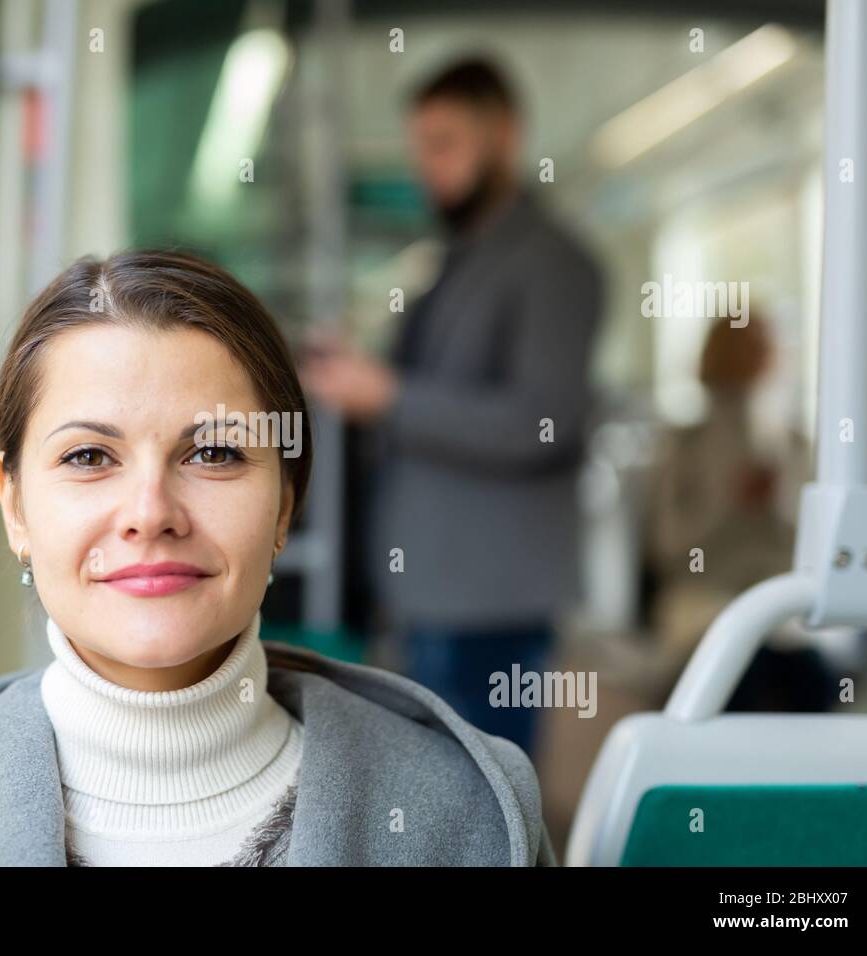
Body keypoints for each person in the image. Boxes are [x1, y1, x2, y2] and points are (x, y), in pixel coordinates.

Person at [0, 250, 556, 866]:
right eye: (89, 459)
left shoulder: (471, 814)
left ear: (285, 500)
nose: (149, 515)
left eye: (212, 453)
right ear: (15, 505)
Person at [300, 57, 604, 758]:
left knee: (487, 803)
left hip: (489, 601)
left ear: (504, 135)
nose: (427, 167)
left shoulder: (552, 264)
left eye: (445, 144)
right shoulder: (461, 259)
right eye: (421, 149)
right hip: (435, 594)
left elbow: (541, 423)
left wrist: (388, 395)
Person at [647, 309, 835, 711]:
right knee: (740, 672)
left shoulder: (795, 444)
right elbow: (667, 547)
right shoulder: (684, 444)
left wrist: (779, 502)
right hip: (705, 601)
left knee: (813, 678)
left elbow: (816, 547)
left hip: (784, 610)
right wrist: (730, 504)